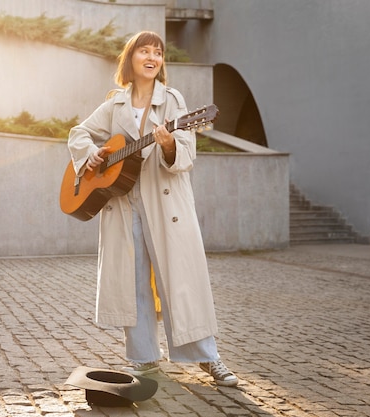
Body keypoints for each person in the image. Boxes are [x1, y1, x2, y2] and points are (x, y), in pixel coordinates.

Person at [66, 31, 238, 387]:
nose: (152, 57)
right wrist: (92, 154)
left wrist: (171, 144)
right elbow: (78, 133)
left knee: (181, 282)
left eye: (157, 53)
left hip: (166, 205)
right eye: (144, 51)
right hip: (123, 205)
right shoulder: (114, 104)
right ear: (130, 59)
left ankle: (208, 357)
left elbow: (186, 154)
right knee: (133, 284)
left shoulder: (173, 101)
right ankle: (143, 358)